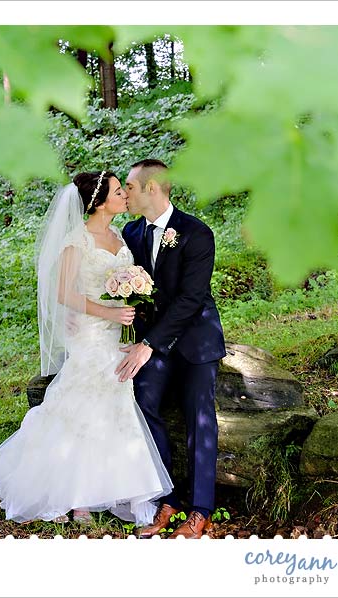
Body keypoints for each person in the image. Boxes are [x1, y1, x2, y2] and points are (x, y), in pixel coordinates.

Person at [0, 171, 172, 525]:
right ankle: (76, 498)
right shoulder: (78, 241)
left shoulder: (119, 235)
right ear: (99, 202)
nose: (124, 196)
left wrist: (130, 305)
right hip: (90, 334)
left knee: (114, 405)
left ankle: (105, 487)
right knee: (82, 405)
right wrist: (108, 312)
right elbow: (63, 293)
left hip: (117, 334)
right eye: (118, 192)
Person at [116, 159, 226, 539]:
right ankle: (168, 499)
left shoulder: (196, 233)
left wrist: (149, 344)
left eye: (130, 187)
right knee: (142, 401)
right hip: (154, 344)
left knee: (199, 416)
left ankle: (200, 511)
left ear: (151, 188)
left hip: (196, 340)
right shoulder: (131, 232)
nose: (125, 194)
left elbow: (191, 298)